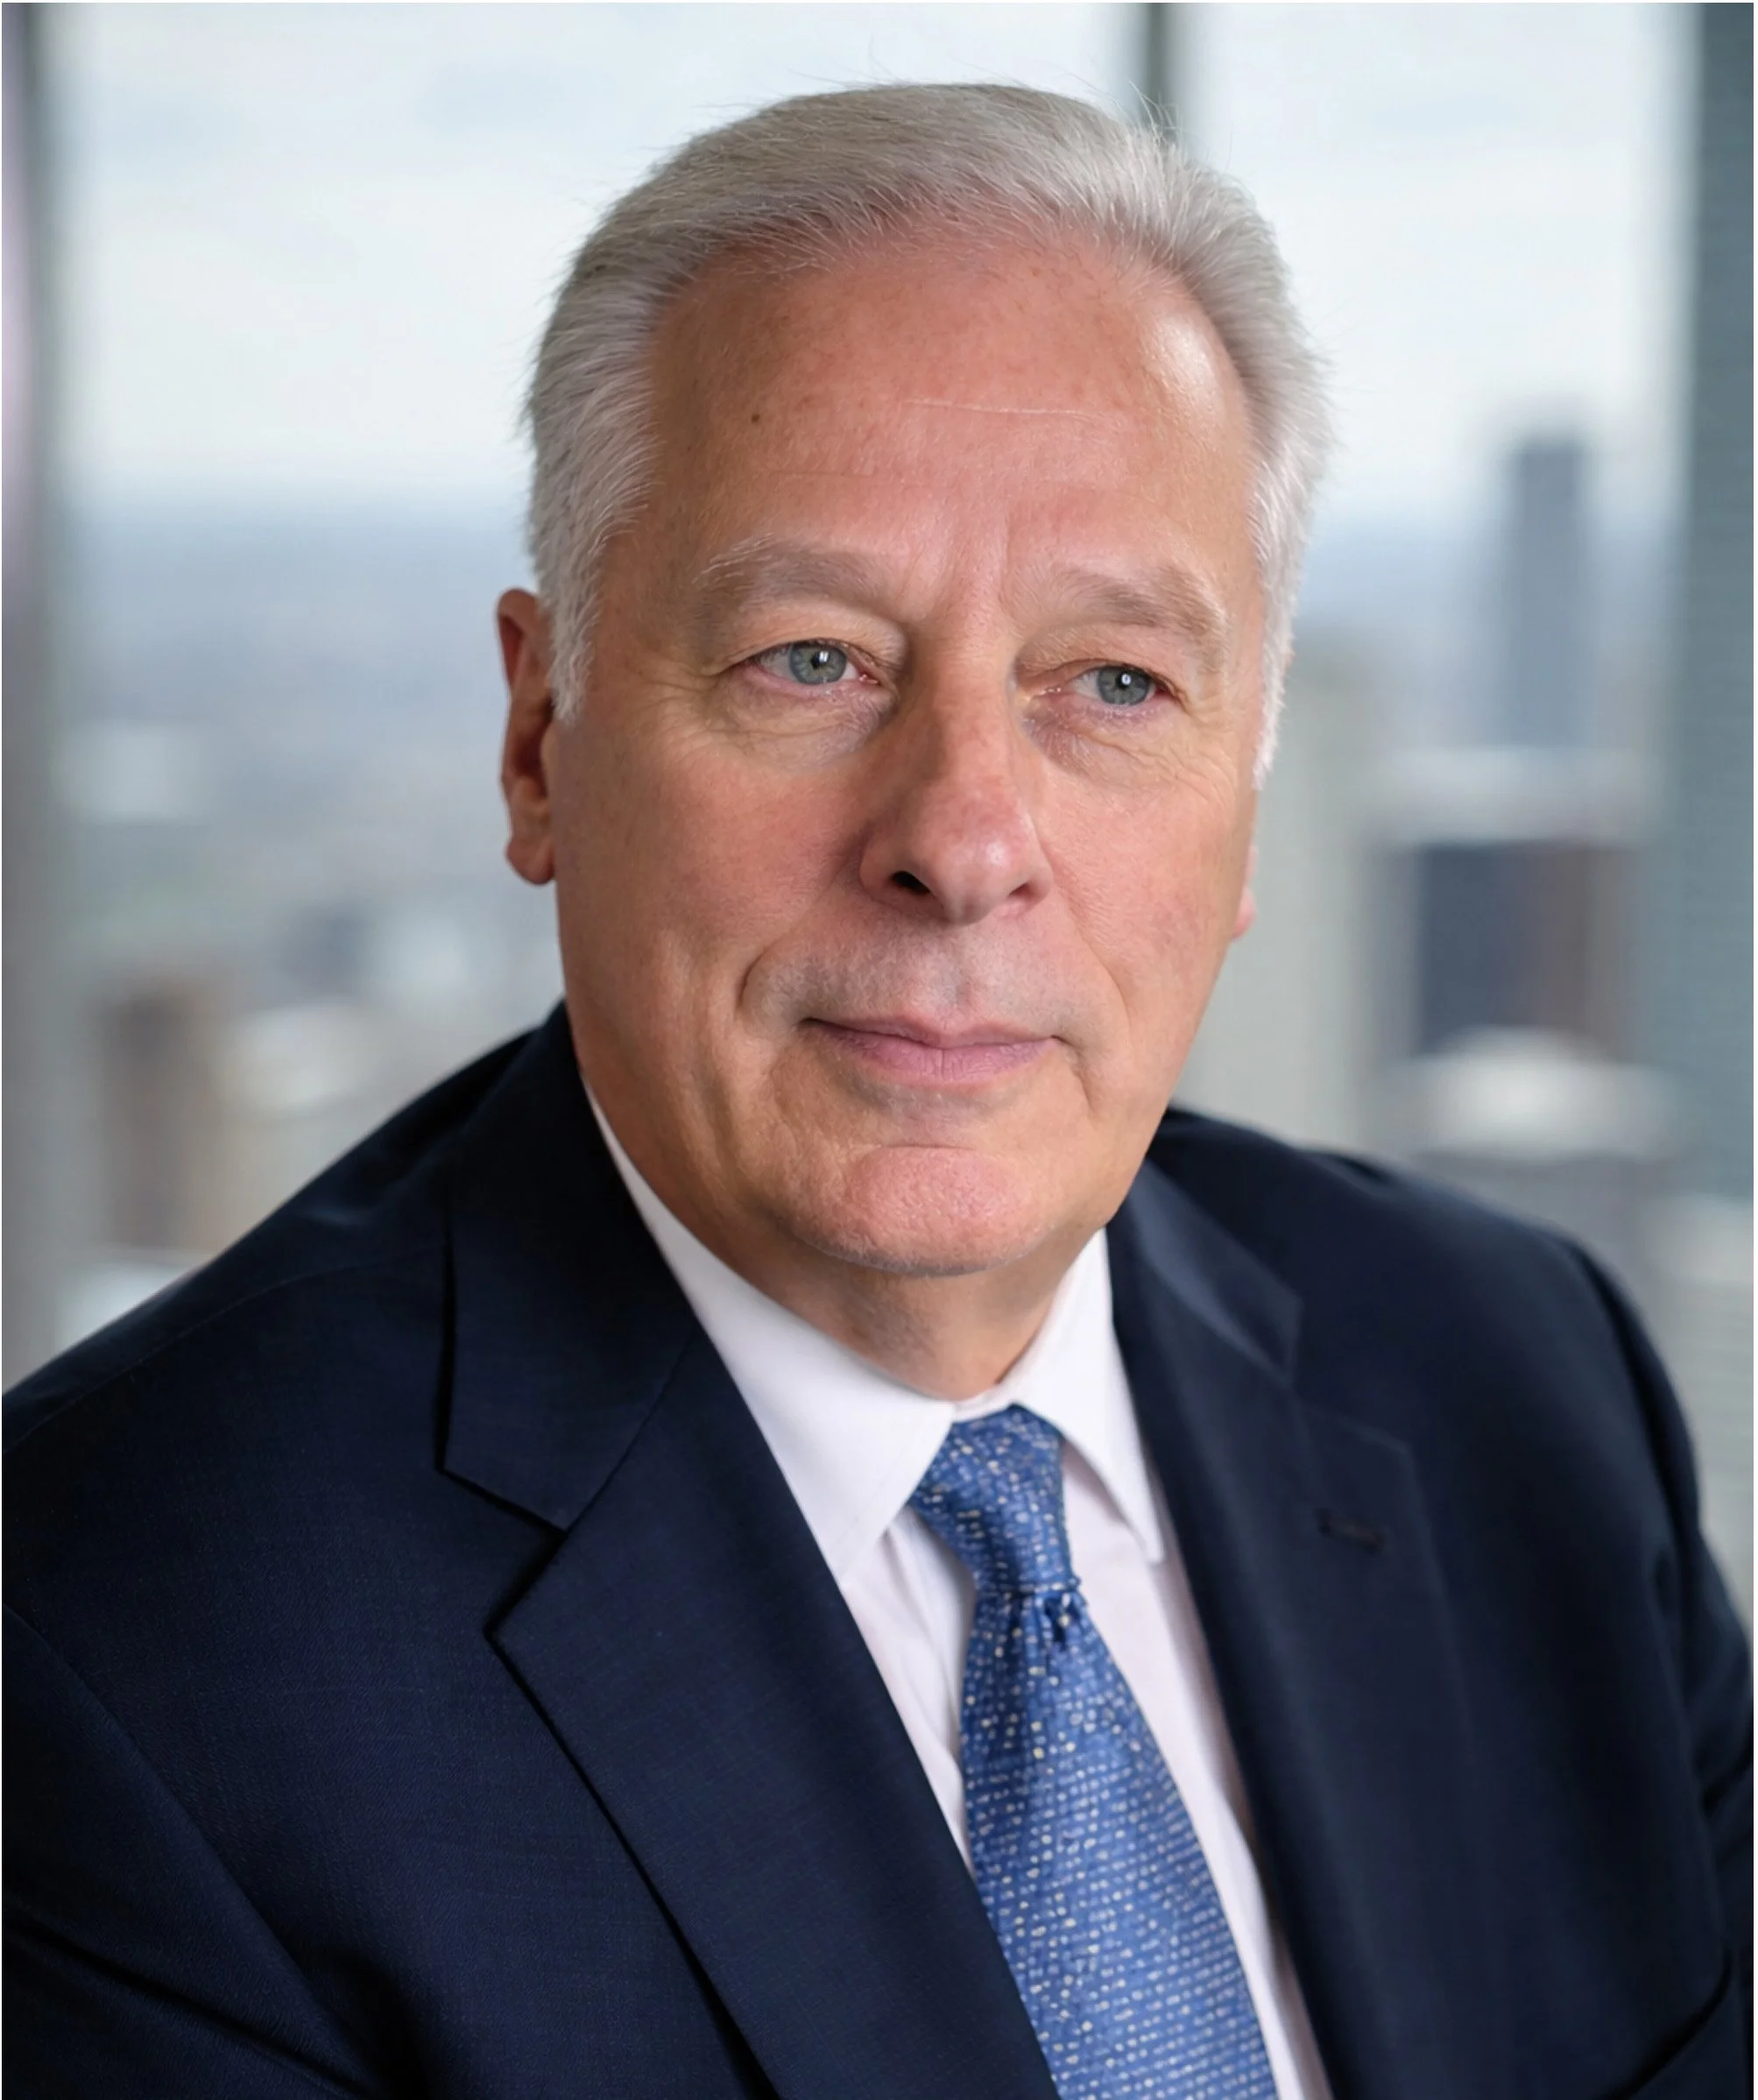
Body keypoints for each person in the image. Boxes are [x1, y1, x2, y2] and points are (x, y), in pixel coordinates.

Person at [6, 83, 1748, 2100]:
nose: (961, 838)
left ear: (1249, 792)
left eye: (1113, 684)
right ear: (538, 741)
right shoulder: (112, 1649)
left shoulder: (1519, 1391)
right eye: (812, 658)